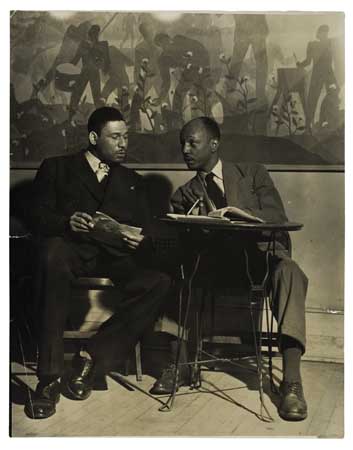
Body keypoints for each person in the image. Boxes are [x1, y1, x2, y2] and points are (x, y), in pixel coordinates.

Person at [150, 116, 309, 422]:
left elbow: (276, 214)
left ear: (214, 144)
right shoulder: (183, 194)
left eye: (192, 143)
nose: (185, 149)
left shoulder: (252, 174)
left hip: (260, 260)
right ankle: (182, 365)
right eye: (182, 143)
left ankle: (291, 382)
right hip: (215, 266)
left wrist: (238, 215)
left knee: (290, 272)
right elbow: (177, 241)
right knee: (175, 272)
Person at [24, 107, 171, 419]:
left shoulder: (132, 180)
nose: (123, 144)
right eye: (115, 137)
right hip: (72, 252)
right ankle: (48, 379)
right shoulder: (57, 168)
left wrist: (141, 241)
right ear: (93, 137)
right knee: (51, 255)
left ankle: (90, 358)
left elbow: (150, 228)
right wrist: (66, 222)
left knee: (159, 282)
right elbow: (35, 216)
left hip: (116, 258)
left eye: (126, 137)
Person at [297, 24, 338, 130]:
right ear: (318, 34)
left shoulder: (330, 43)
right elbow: (308, 61)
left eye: (326, 33)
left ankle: (327, 121)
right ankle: (308, 126)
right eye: (322, 32)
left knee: (334, 96)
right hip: (319, 74)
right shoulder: (312, 45)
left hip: (328, 73)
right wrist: (300, 64)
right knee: (312, 100)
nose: (325, 34)